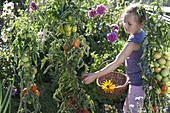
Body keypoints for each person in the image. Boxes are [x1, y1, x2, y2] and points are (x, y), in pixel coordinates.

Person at [82, 3, 147, 113]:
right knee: (128, 108)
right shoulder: (141, 34)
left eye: (129, 24)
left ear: (141, 24)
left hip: (137, 85)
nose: (126, 26)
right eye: (125, 22)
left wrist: (95, 75)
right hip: (141, 81)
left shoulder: (133, 43)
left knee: (131, 110)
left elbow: (116, 62)